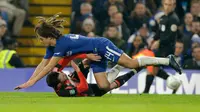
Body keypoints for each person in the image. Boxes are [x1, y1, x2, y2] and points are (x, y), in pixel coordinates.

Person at [14, 13, 182, 91]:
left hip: (101, 46)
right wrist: (29, 80)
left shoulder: (60, 45)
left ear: (47, 36)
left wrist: (31, 83)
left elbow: (48, 68)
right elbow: (42, 65)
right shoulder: (53, 46)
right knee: (103, 86)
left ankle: (167, 60)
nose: (40, 42)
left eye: (40, 39)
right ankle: (120, 68)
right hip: (93, 55)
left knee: (130, 62)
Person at [144, 0, 181, 94]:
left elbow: (171, 36)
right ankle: (175, 83)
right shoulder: (163, 18)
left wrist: (159, 41)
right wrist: (153, 40)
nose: (167, 7)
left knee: (152, 68)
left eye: (170, 5)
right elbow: (159, 32)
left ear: (174, 6)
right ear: (163, 5)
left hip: (167, 48)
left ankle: (146, 92)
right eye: (166, 4)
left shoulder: (174, 19)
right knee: (153, 69)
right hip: (161, 47)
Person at [47, 60, 137, 97]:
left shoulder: (56, 75)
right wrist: (78, 71)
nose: (63, 74)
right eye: (62, 76)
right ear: (59, 84)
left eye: (61, 73)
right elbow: (84, 87)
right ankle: (134, 71)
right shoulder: (63, 92)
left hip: (76, 80)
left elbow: (60, 62)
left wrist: (69, 57)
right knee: (109, 86)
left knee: (85, 62)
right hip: (88, 92)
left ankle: (107, 60)